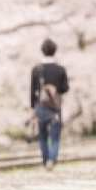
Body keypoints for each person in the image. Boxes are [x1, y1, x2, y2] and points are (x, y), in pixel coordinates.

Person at [29, 38, 69, 170]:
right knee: (55, 136)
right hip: (55, 107)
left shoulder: (36, 69)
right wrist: (55, 89)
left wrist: (32, 108)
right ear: (54, 51)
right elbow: (65, 88)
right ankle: (52, 159)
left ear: (42, 51)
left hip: (40, 107)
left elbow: (33, 90)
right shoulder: (60, 69)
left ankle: (45, 160)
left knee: (42, 136)